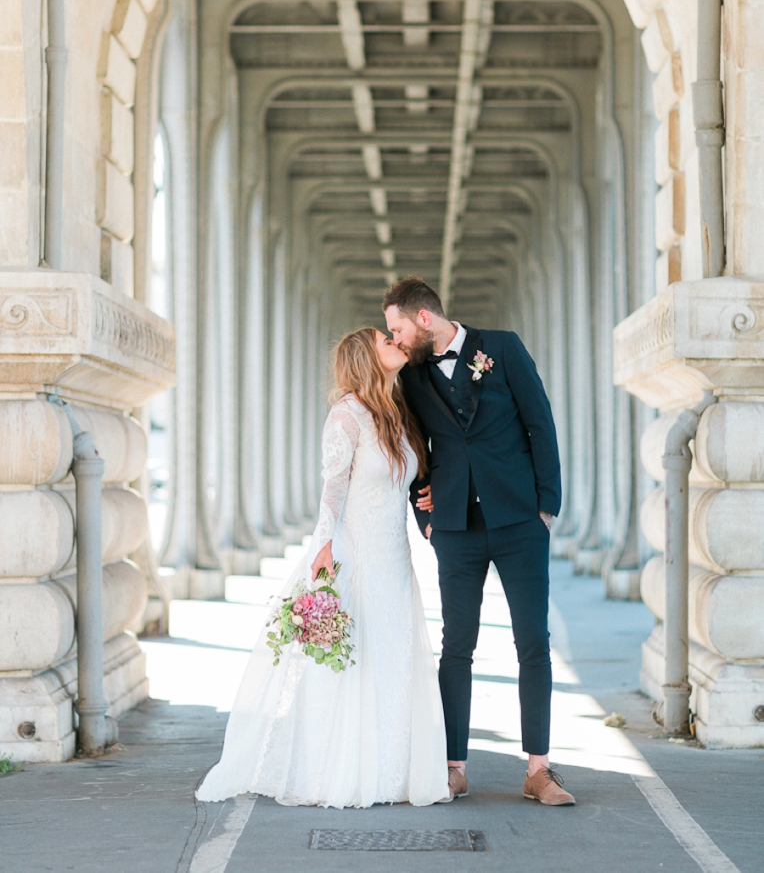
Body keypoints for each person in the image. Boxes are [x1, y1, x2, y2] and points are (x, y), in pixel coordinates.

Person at [197, 327, 449, 809]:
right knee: (351, 663)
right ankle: (341, 772)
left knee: (393, 658)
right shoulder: (346, 415)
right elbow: (331, 490)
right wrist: (323, 549)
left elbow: (417, 476)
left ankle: (392, 772)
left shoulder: (399, 413)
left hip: (395, 561)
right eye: (385, 340)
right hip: (354, 555)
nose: (396, 341)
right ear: (364, 358)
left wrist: (434, 498)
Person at [384, 276, 576, 807]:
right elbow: (412, 446)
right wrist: (424, 510)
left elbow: (541, 422)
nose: (395, 340)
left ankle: (538, 770)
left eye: (397, 329)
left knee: (533, 643)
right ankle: (453, 767)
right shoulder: (414, 377)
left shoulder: (503, 347)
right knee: (457, 648)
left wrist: (545, 506)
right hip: (455, 530)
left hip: (519, 521)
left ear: (424, 319)